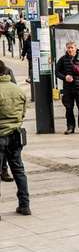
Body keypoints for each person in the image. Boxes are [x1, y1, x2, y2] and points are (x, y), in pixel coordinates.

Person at [0, 60, 29, 217]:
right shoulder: (18, 90)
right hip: (16, 135)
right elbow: (23, 112)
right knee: (18, 170)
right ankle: (24, 205)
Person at [55, 41, 79, 135]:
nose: (70, 50)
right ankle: (70, 127)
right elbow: (57, 72)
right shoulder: (62, 59)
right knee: (68, 108)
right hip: (68, 88)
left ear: (76, 48)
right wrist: (65, 77)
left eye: (72, 47)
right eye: (68, 48)